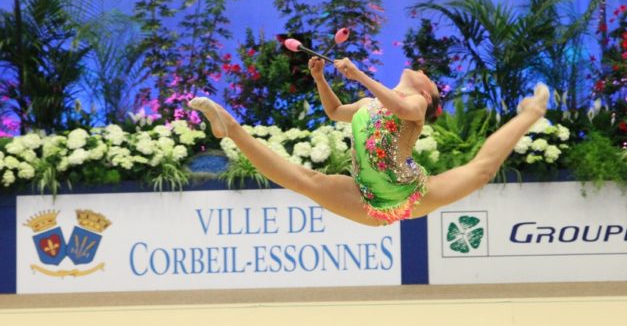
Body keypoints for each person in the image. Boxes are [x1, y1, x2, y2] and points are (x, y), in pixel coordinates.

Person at [188, 56, 549, 226]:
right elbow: (334, 111)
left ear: (428, 92)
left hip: (412, 194)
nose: (422, 71)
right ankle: (230, 128)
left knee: (481, 170)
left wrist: (360, 74)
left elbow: (397, 105)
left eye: (428, 77)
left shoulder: (417, 104)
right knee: (304, 180)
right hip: (364, 199)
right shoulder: (366, 105)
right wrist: (319, 78)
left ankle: (531, 113)